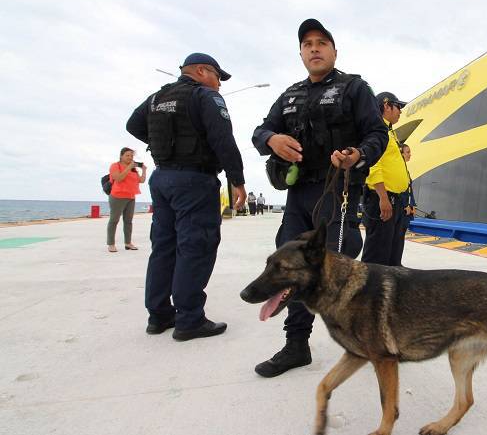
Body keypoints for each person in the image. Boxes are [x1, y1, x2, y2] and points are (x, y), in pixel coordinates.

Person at [251, 19, 388, 377]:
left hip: (337, 190)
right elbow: (260, 130)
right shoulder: (290, 95)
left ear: (334, 52)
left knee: (336, 267)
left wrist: (358, 154)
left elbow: (377, 134)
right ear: (301, 53)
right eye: (307, 44)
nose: (314, 48)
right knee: (290, 267)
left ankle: (363, 334)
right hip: (298, 195)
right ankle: (296, 345)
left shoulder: (354, 88)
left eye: (321, 42)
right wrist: (271, 140)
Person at [126, 52, 247, 341]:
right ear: (202, 71)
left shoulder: (156, 98)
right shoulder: (205, 96)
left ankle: (159, 315)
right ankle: (189, 319)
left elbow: (133, 125)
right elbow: (223, 139)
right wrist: (237, 180)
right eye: (218, 76)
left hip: (162, 178)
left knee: (164, 247)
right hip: (195, 180)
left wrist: (167, 143)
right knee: (196, 246)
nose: (219, 84)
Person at [362, 92, 411, 266]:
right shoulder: (376, 132)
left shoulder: (389, 132)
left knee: (393, 257)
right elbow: (373, 165)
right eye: (398, 107)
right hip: (382, 199)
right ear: (386, 106)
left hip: (395, 201)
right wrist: (383, 197)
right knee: (377, 259)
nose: (400, 111)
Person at [107, 147, 146, 252]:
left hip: (131, 197)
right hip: (117, 197)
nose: (130, 157)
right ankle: (111, 244)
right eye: (127, 155)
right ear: (121, 156)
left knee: (128, 221)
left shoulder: (133, 169)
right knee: (114, 220)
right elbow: (119, 178)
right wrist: (129, 167)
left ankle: (128, 243)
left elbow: (141, 180)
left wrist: (144, 170)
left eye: (132, 156)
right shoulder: (115, 166)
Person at [396, 143, 416, 265]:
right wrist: (405, 205)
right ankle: (395, 262)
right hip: (402, 209)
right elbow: (399, 190)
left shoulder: (405, 170)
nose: (410, 154)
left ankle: (397, 261)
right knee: (397, 237)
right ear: (401, 154)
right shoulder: (399, 170)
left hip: (406, 210)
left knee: (400, 237)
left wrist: (413, 205)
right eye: (407, 152)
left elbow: (409, 190)